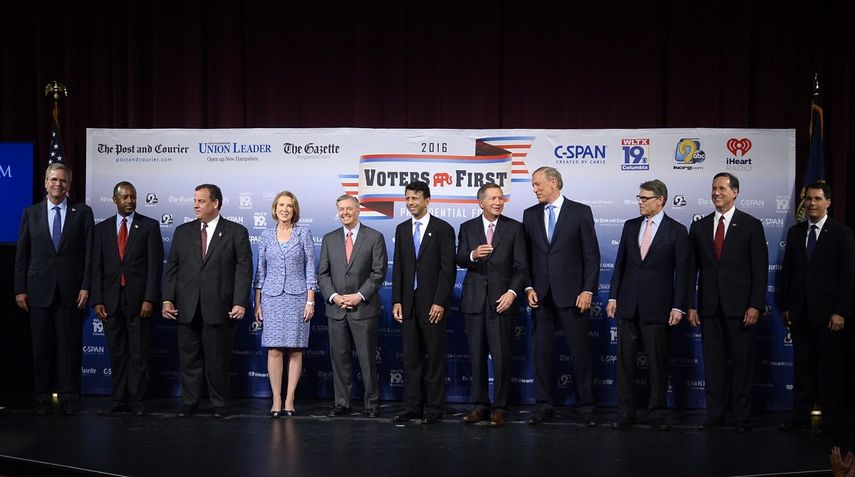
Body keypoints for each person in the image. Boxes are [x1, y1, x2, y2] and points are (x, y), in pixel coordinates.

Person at [162, 184, 252, 418]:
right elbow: (172, 269)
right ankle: (189, 403)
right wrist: (167, 300)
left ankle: (219, 405)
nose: (195, 205)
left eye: (201, 201)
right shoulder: (182, 232)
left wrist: (240, 302)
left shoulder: (236, 232)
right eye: (195, 200)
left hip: (220, 308)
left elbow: (243, 271)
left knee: (217, 361)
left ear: (215, 204)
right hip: (187, 307)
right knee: (189, 361)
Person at [688, 172, 768, 432]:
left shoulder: (751, 225)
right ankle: (714, 414)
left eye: (722, 188)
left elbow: (760, 269)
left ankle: (741, 417)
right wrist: (690, 304)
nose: (716, 193)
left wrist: (755, 304)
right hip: (709, 308)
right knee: (714, 365)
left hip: (741, 308)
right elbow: (692, 270)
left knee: (742, 365)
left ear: (735, 192)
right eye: (713, 188)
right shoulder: (699, 227)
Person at [607, 179, 689, 431]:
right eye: (639, 198)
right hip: (628, 305)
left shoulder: (677, 230)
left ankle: (657, 414)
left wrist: (678, 306)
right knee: (624, 364)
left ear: (660, 200)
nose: (640, 202)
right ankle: (625, 412)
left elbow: (683, 273)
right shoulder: (630, 226)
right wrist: (612, 297)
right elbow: (620, 264)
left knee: (657, 364)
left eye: (645, 198)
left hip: (658, 307)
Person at [14, 163, 94, 415]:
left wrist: (85, 286)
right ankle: (41, 396)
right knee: (40, 347)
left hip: (71, 291)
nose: (58, 184)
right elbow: (22, 255)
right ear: (45, 182)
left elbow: (89, 254)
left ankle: (69, 396)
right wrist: (19, 289)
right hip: (37, 290)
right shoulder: (31, 212)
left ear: (69, 185)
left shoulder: (82, 212)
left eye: (62, 180)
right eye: (53, 179)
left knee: (68, 347)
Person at [522, 166, 600, 426]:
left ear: (553, 182)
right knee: (541, 354)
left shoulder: (580, 212)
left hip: (573, 295)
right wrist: (529, 287)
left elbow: (591, 256)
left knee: (580, 353)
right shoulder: (530, 215)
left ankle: (587, 407)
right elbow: (527, 258)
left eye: (537, 184)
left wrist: (588, 289)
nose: (534, 189)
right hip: (541, 296)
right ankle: (543, 405)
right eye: (533, 185)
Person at [778, 182, 854, 433]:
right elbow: (788, 272)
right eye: (809, 199)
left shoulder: (842, 233)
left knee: (831, 369)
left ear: (828, 202)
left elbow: (848, 276)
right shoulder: (795, 232)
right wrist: (787, 306)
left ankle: (832, 420)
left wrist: (841, 311)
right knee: (802, 369)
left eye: (817, 199)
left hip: (830, 315)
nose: (812, 203)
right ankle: (800, 416)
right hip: (800, 313)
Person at [456, 183, 528, 427]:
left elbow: (521, 268)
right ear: (481, 203)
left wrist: (511, 292)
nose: (498, 202)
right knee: (476, 356)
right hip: (474, 301)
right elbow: (460, 257)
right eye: (493, 198)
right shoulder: (467, 228)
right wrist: (473, 255)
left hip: (501, 303)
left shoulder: (515, 228)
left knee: (501, 357)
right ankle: (479, 405)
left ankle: (500, 407)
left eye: (501, 198)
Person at [91, 181, 163, 416]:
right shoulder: (101, 230)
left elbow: (154, 267)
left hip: (139, 301)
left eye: (133, 196)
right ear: (115, 200)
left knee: (138, 353)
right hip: (110, 302)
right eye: (125, 197)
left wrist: (149, 299)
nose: (130, 201)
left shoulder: (149, 226)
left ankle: (136, 401)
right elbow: (96, 268)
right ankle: (117, 399)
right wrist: (97, 300)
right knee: (117, 352)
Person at [391, 181, 456, 424]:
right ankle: (413, 406)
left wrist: (439, 301)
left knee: (434, 358)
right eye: (407, 198)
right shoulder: (401, 229)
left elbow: (447, 271)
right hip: (407, 304)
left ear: (427, 201)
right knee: (411, 358)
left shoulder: (443, 229)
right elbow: (398, 267)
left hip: (432, 305)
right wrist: (397, 299)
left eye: (415, 198)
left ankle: (433, 407)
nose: (410, 203)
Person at [318, 195, 387, 418]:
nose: (345, 213)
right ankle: (342, 403)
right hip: (336, 309)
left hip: (363, 309)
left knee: (367, 360)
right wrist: (334, 297)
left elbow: (378, 273)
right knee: (340, 359)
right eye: (341, 209)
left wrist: (359, 296)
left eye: (349, 208)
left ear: (358, 210)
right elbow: (323, 274)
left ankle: (372, 404)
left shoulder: (374, 237)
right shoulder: (329, 239)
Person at [253, 191, 317, 417]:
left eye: (289, 206)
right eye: (281, 205)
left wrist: (310, 300)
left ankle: (290, 399)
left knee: (295, 349)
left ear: (294, 210)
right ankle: (276, 400)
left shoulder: (304, 234)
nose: (285, 209)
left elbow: (310, 267)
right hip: (271, 298)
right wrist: (257, 303)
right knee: (274, 349)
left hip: (298, 297)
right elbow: (260, 272)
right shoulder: (266, 235)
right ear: (275, 209)